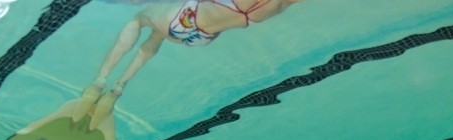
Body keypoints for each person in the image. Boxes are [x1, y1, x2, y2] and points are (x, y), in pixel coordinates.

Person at [73, 0, 304, 130]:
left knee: (139, 18)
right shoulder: (278, 6)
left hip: (183, 19)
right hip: (199, 37)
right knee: (156, 37)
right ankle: (118, 88)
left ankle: (99, 81)